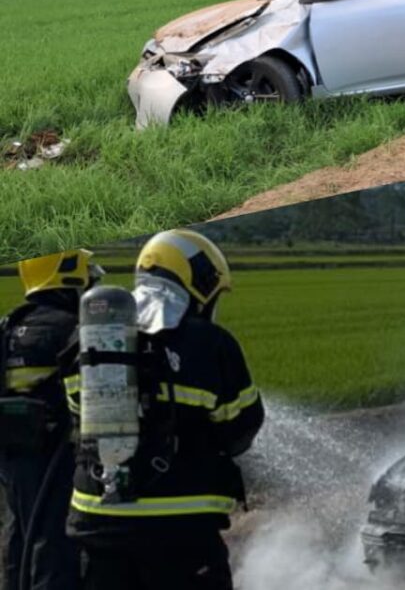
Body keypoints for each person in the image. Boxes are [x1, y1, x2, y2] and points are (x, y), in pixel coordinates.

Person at [62, 230, 264, 590]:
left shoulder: (86, 338)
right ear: (199, 282)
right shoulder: (210, 344)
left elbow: (76, 412)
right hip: (181, 527)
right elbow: (241, 430)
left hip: (98, 522)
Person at [1, 250, 103, 590]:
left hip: (14, 460)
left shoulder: (9, 326)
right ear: (68, 278)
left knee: (19, 535)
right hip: (60, 456)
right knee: (56, 542)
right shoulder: (73, 328)